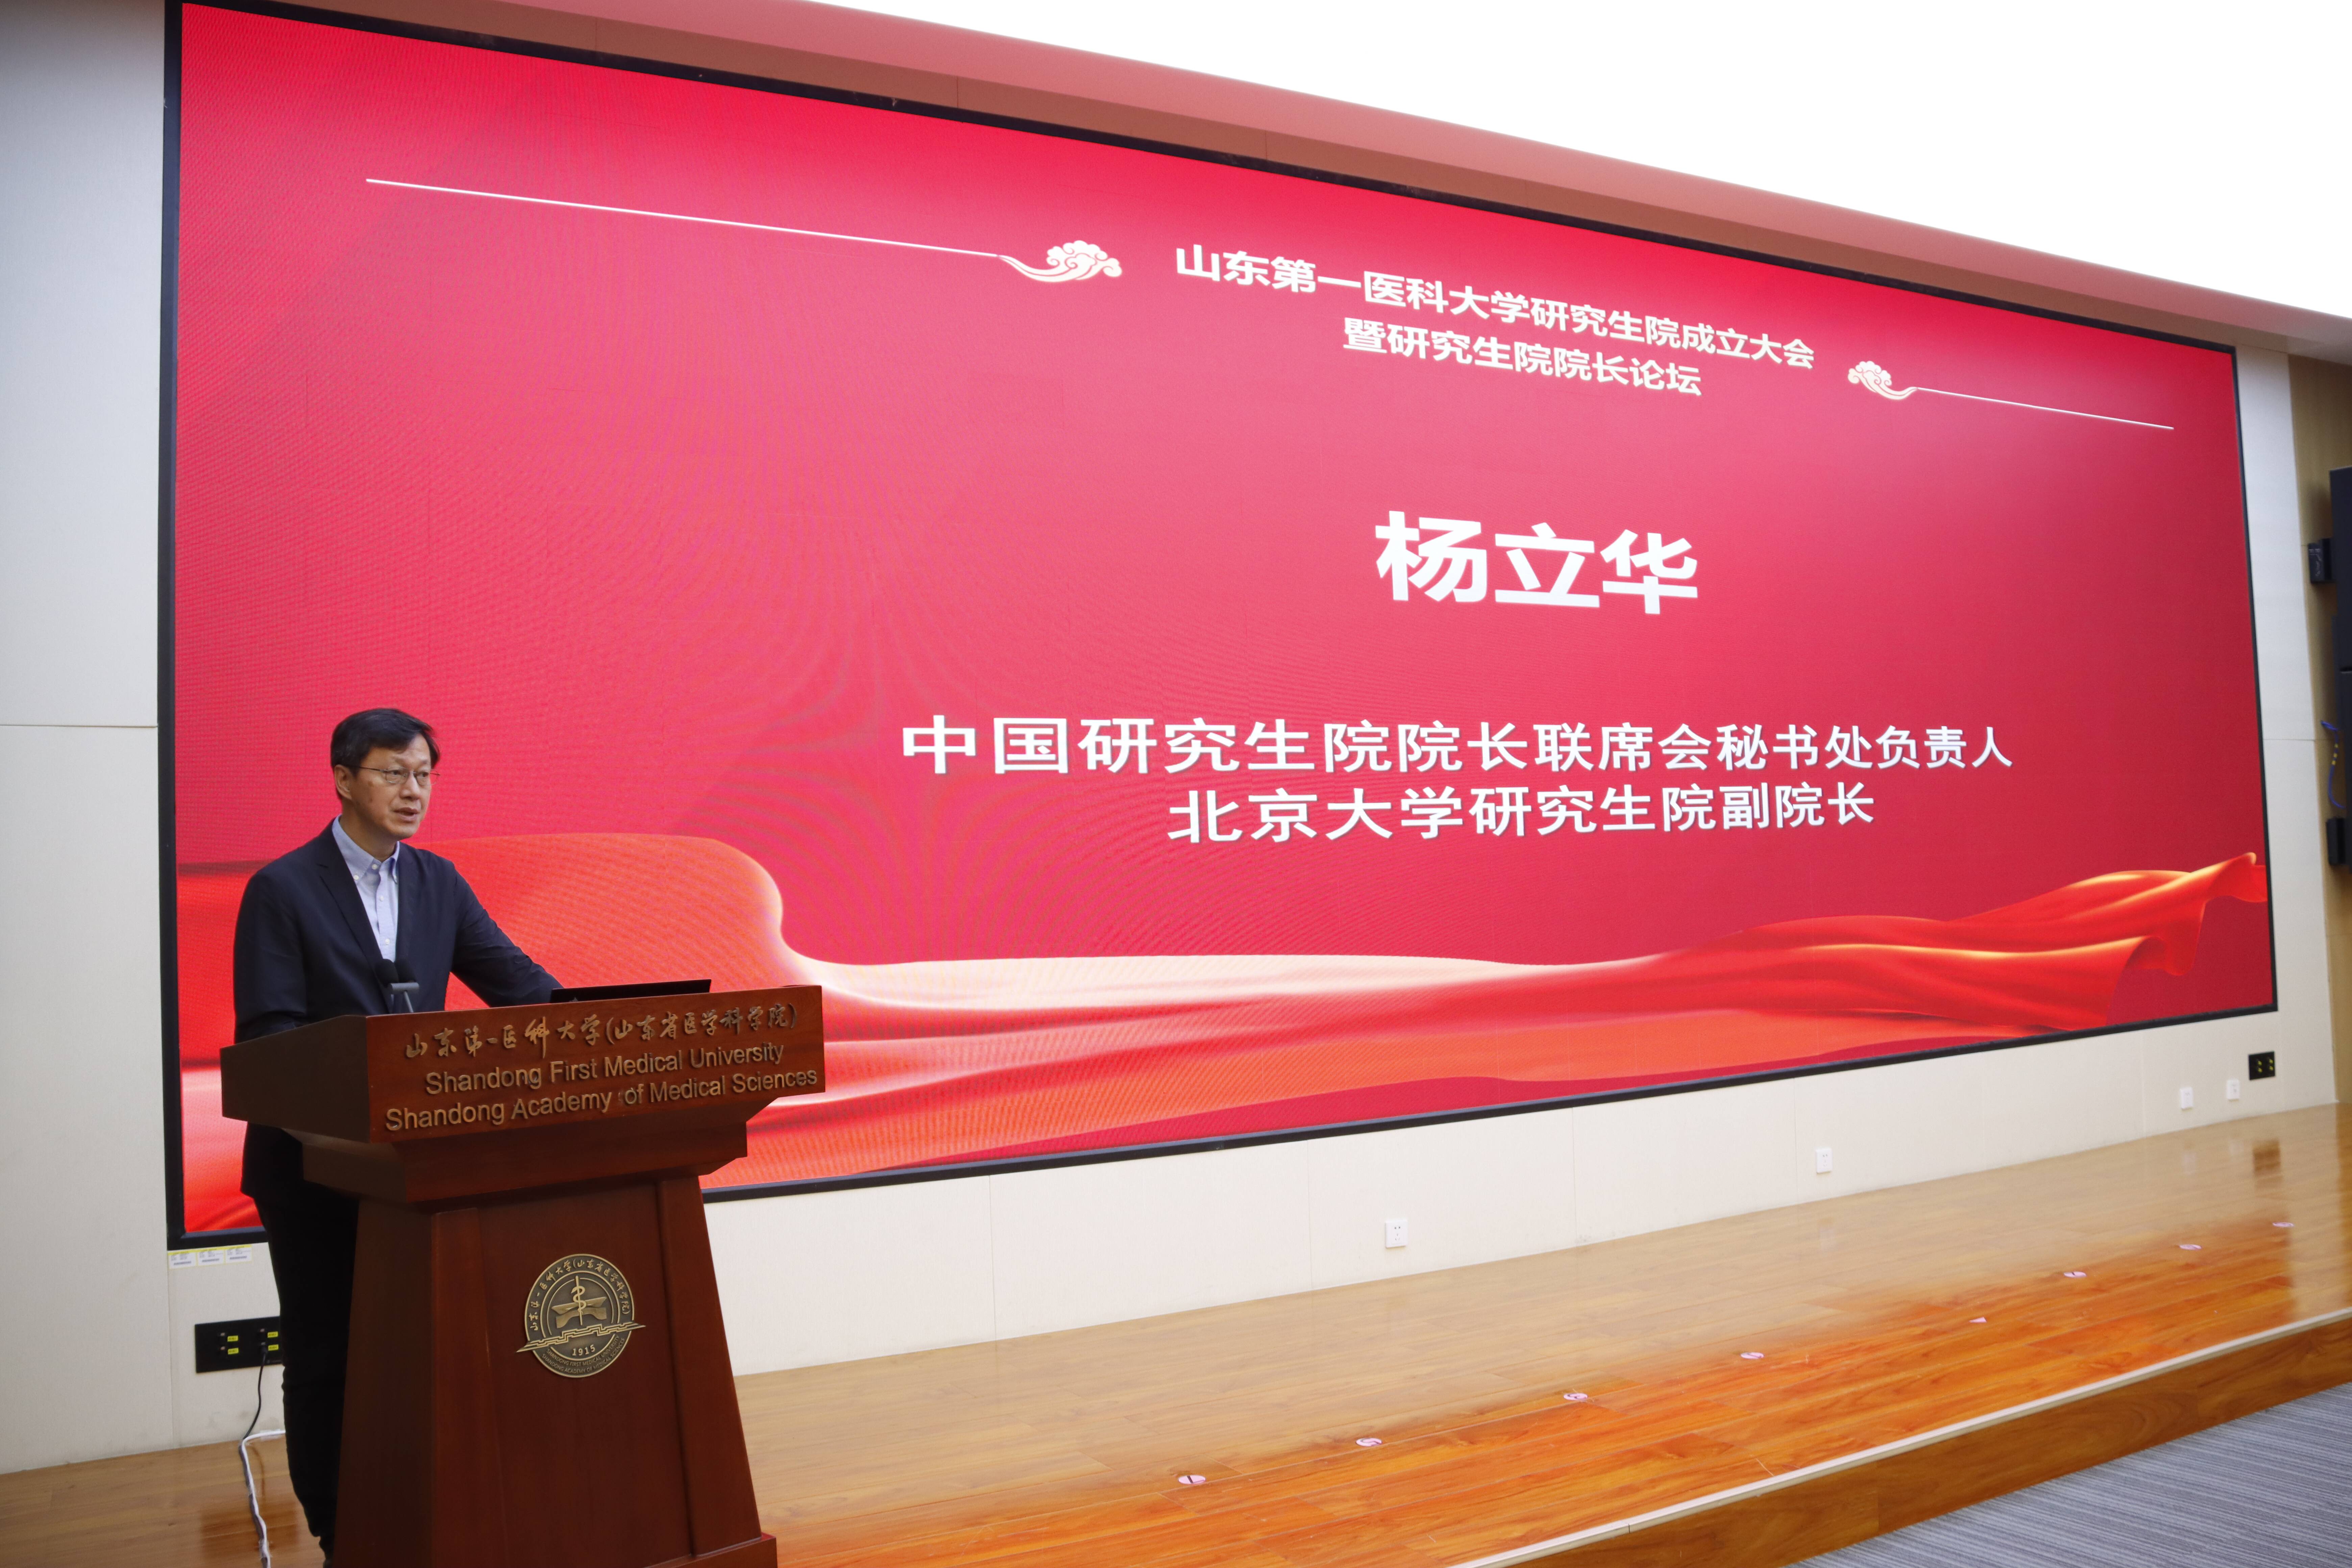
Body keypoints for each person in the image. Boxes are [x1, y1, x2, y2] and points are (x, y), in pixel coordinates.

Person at [233, 708, 557, 1563]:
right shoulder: (283, 888)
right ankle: (340, 1526)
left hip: (421, 1167)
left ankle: (420, 1504)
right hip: (314, 1169)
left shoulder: (438, 881)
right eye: (393, 773)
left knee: (423, 1348)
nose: (413, 791)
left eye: (424, 775)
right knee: (329, 1350)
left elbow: (518, 985)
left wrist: (597, 1028)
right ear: (344, 780)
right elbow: (270, 1039)